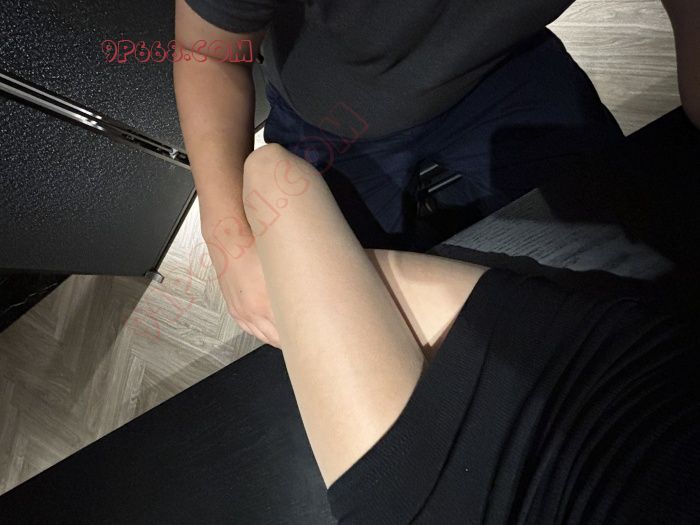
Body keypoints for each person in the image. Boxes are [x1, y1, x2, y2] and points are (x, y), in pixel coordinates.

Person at [173, 0, 700, 349]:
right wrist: (229, 246)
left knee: (643, 296)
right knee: (343, 332)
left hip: (504, 65)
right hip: (328, 119)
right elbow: (206, 52)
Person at [232, 142, 699, 523]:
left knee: (277, 196)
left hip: (622, 405)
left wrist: (250, 255)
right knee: (280, 204)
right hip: (639, 396)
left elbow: (274, 176)